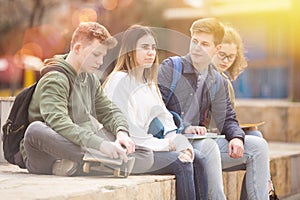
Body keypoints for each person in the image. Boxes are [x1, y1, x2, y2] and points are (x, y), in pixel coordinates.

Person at [158, 18, 271, 199]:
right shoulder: (171, 67)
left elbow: (227, 117)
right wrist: (184, 126)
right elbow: (156, 110)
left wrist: (236, 138)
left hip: (200, 140)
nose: (196, 48)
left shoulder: (217, 80)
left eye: (204, 44)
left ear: (216, 49)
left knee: (258, 145)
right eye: (194, 41)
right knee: (209, 145)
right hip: (174, 139)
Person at [21, 22, 153, 177]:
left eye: (103, 56)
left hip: (82, 144)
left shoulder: (89, 79)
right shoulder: (55, 79)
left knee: (146, 155)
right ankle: (99, 162)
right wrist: (100, 145)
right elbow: (59, 123)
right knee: (34, 130)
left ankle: (84, 165)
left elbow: (108, 110)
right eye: (96, 55)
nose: (100, 62)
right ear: (77, 48)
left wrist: (121, 132)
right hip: (49, 152)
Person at [103, 24, 220, 200]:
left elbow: (166, 121)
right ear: (130, 51)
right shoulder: (119, 81)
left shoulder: (149, 84)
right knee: (182, 164)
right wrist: (167, 146)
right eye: (144, 47)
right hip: (129, 152)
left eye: (153, 48)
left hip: (149, 147)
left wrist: (180, 143)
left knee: (200, 159)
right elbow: (129, 133)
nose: (151, 52)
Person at [211, 25, 278, 199]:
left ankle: (264, 191)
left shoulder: (224, 80)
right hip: (207, 142)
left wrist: (238, 132)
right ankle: (267, 191)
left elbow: (227, 119)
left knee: (256, 135)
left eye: (231, 57)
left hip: (220, 137)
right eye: (222, 55)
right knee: (257, 146)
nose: (226, 60)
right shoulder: (205, 78)